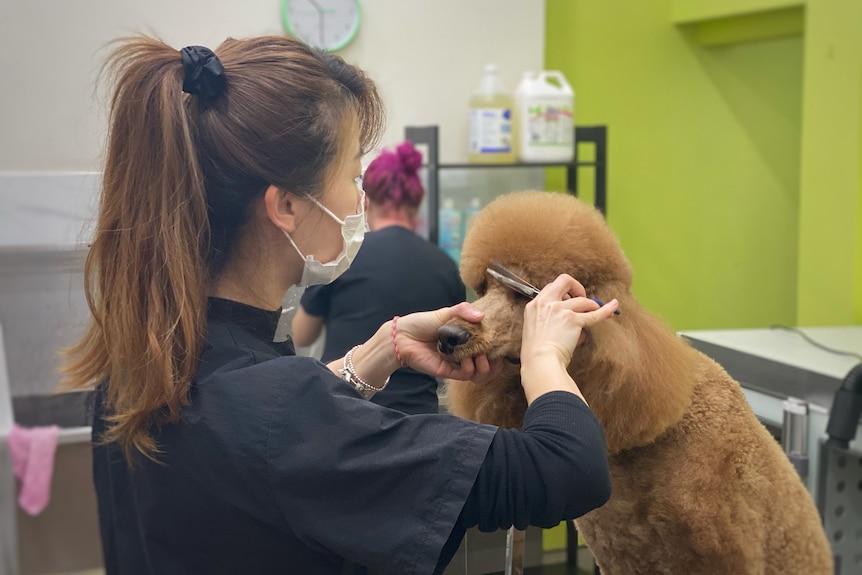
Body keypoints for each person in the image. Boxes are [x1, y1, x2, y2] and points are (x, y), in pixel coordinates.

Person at [62, 35, 620, 575]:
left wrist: (380, 351)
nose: (361, 199)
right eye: (353, 175)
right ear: (284, 205)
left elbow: (256, 439)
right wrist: (543, 354)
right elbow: (568, 470)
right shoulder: (282, 412)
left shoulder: (144, 357)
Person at [292, 141, 464, 414]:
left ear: (366, 201)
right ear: (415, 203)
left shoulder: (344, 256)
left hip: (345, 411)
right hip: (417, 422)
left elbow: (301, 333)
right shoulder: (444, 266)